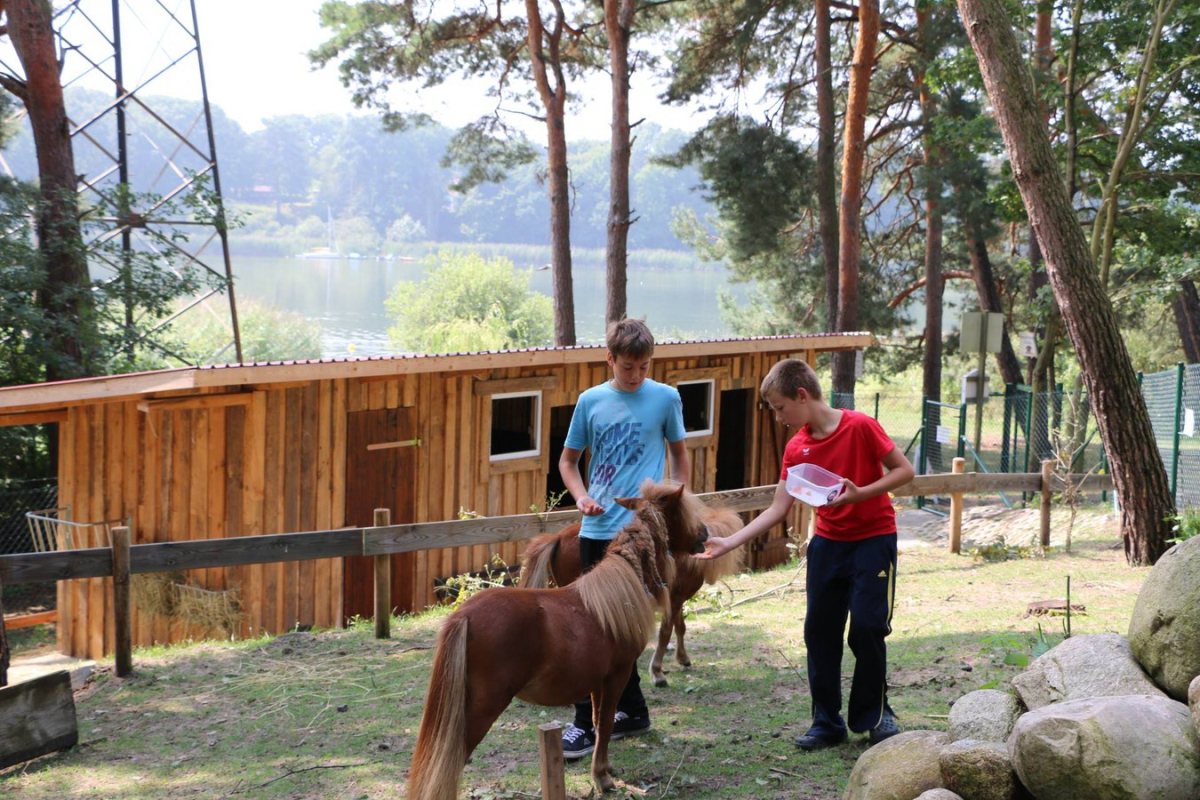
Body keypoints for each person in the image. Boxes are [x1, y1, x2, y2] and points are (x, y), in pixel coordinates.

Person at [698, 358, 914, 751]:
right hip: (827, 546)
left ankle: (876, 715)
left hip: (873, 541)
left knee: (868, 627)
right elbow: (778, 508)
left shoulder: (860, 426)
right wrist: (728, 542)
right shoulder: (797, 448)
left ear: (801, 395)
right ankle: (827, 723)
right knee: (819, 633)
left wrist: (862, 492)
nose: (778, 417)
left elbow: (904, 471)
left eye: (780, 408)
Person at [556, 317, 690, 760]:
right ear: (610, 359)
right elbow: (569, 462)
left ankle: (600, 720)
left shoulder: (666, 398)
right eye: (628, 367)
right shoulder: (590, 401)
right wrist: (581, 498)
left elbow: (679, 455)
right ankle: (613, 714)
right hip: (598, 529)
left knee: (627, 631)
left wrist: (675, 500)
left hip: (643, 538)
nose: (636, 376)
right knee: (590, 629)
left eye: (644, 367)